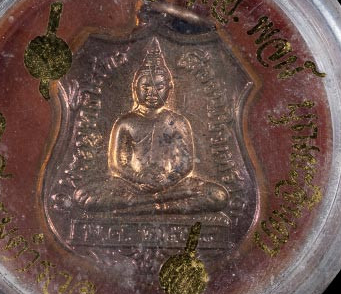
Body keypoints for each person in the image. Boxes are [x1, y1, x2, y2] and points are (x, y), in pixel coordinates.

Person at [73, 38, 228, 215]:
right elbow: (117, 165)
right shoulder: (125, 122)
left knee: (217, 195)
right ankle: (159, 205)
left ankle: (143, 206)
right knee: (84, 196)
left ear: (169, 88)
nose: (152, 93)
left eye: (159, 87)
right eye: (145, 87)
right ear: (135, 88)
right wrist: (139, 178)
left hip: (172, 186)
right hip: (132, 185)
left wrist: (167, 180)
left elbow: (185, 164)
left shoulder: (177, 121)